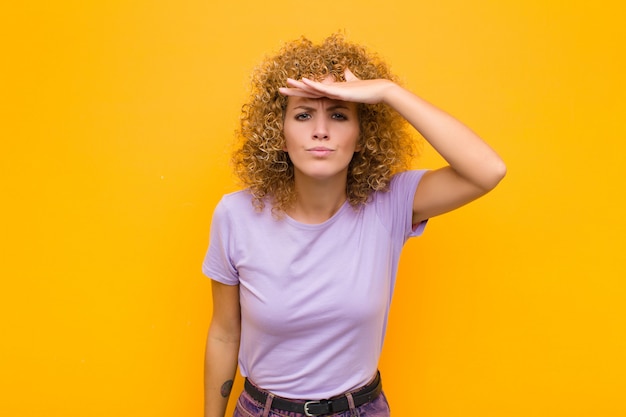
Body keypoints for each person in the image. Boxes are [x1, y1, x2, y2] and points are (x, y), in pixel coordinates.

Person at [202, 33, 506, 417]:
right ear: (278, 135)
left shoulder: (390, 204)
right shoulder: (236, 215)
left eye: (340, 115)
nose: (321, 130)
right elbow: (225, 333)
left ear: (363, 137)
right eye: (303, 115)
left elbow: (488, 170)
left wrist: (389, 93)